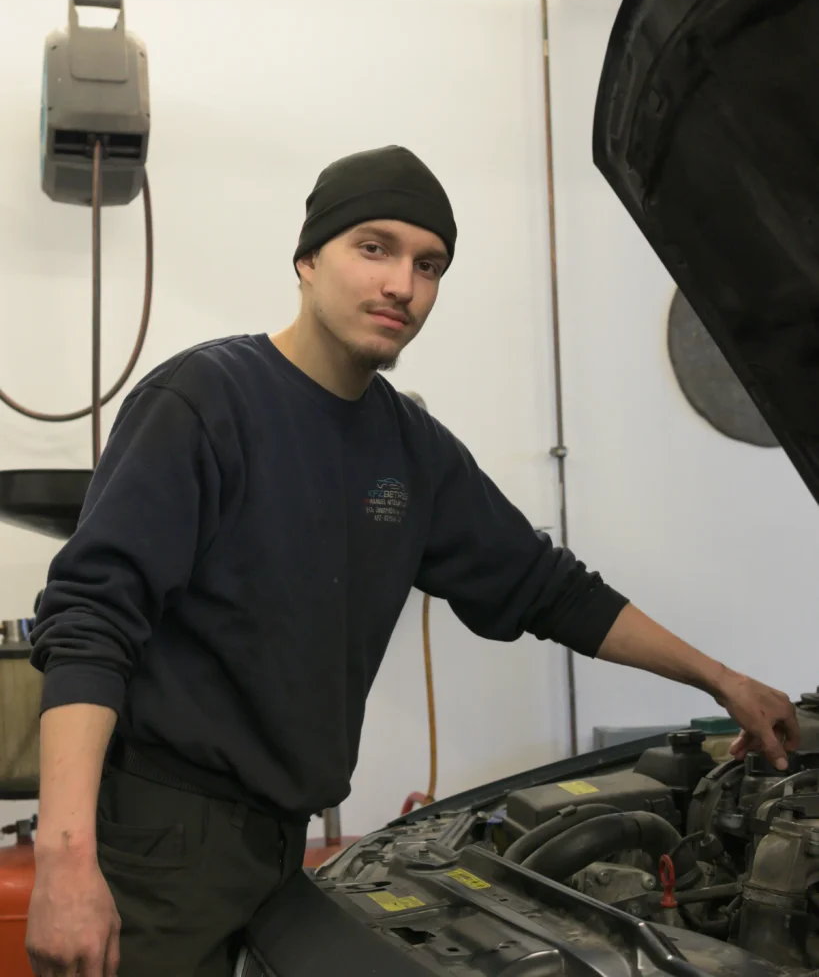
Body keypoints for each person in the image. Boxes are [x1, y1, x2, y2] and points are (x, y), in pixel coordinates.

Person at [24, 145, 798, 977]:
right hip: (159, 846)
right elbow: (90, 623)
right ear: (307, 259)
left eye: (428, 265)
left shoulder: (410, 449)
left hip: (281, 850)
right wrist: (65, 862)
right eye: (374, 248)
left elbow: (549, 588)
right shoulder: (205, 400)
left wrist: (721, 681)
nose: (402, 284)